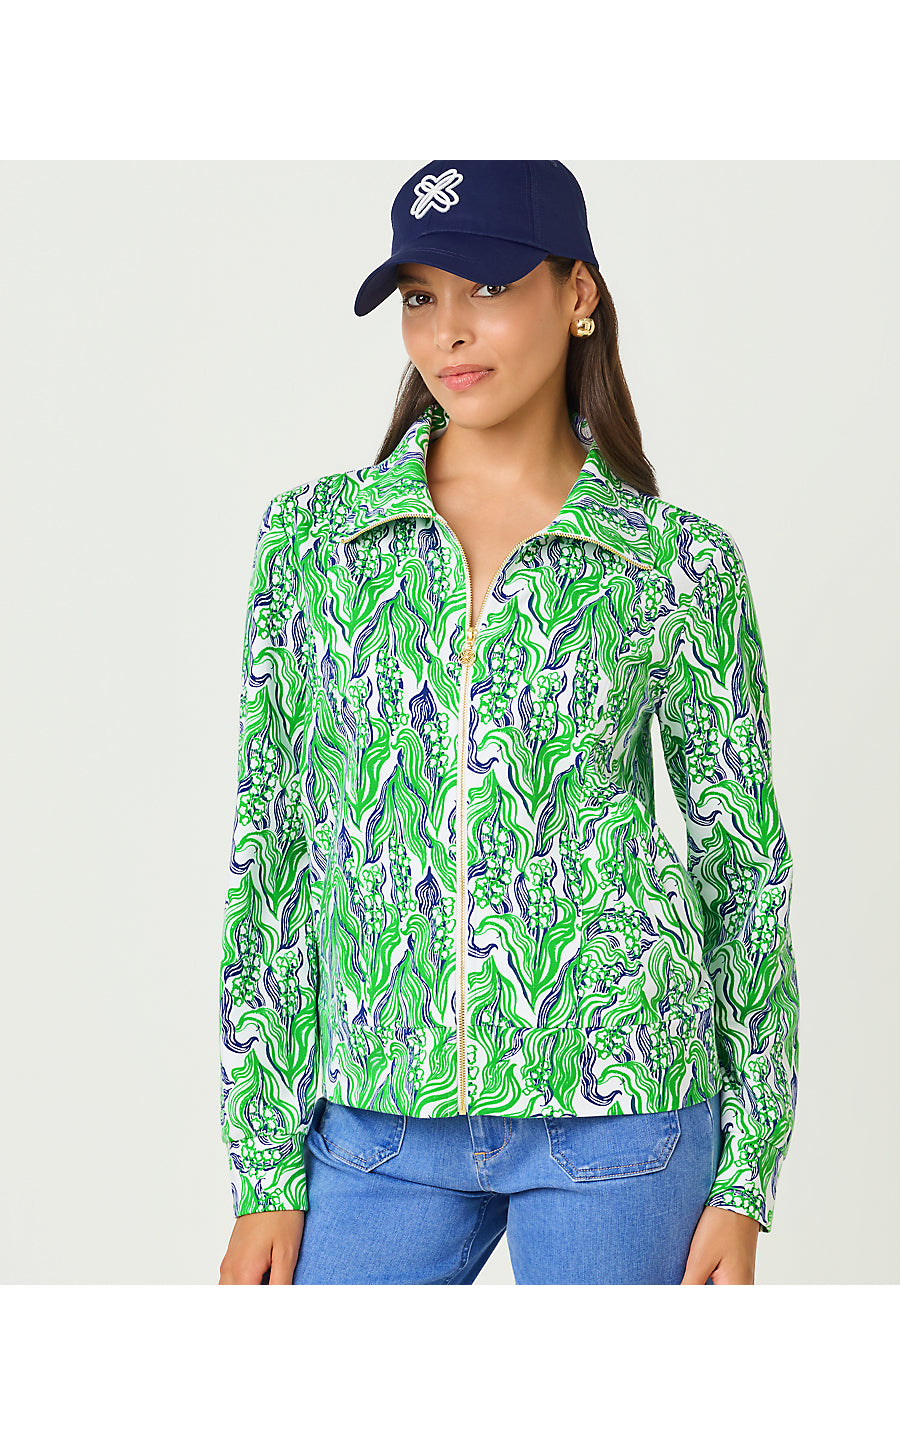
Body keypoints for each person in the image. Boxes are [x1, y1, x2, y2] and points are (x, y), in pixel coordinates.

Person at [217, 160, 800, 1286]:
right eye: (420, 296)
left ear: (578, 292)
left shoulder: (676, 564)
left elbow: (743, 868)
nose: (448, 329)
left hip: (623, 1106)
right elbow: (273, 852)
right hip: (378, 1117)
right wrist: (263, 1167)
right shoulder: (315, 545)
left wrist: (747, 1175)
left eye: (486, 285)